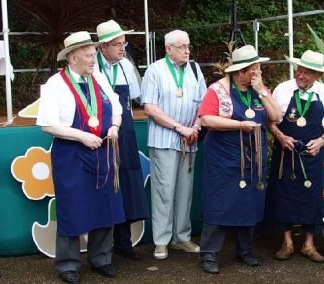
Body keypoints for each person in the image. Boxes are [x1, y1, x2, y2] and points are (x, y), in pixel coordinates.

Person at [37, 31, 125, 283]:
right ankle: (68, 265)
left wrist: (115, 127)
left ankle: (102, 259)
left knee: (104, 204)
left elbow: (117, 108)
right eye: (88, 55)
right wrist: (81, 136)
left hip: (103, 151)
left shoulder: (99, 77)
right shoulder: (55, 84)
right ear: (73, 57)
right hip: (72, 154)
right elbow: (47, 124)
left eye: (94, 54)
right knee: (72, 207)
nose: (93, 59)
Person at [197, 45, 282, 274]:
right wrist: (239, 125)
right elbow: (207, 120)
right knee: (219, 203)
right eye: (254, 67)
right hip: (224, 157)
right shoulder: (217, 90)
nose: (258, 71)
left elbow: (276, 117)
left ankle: (245, 250)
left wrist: (262, 92)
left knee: (249, 202)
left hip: (253, 157)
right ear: (240, 71)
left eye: (258, 67)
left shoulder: (259, 89)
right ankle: (209, 255)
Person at [266, 50, 324, 263]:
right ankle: (287, 242)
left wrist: (321, 141)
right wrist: (280, 136)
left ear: (318, 75)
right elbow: (270, 121)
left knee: (311, 197)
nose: (301, 75)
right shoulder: (283, 89)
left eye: (308, 73)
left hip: (312, 154)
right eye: (300, 70)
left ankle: (309, 244)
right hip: (286, 154)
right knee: (283, 195)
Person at [141, 29, 206, 260]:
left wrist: (196, 128)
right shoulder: (155, 70)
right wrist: (180, 127)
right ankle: (161, 241)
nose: (187, 50)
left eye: (188, 46)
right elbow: (149, 107)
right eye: (181, 47)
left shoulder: (195, 70)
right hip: (165, 139)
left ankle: (182, 238)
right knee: (164, 191)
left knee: (185, 191)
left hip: (190, 140)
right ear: (168, 49)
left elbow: (204, 106)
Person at [95, 20, 149, 260]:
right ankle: (102, 248)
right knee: (104, 185)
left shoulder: (126, 65)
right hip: (98, 133)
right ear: (102, 47)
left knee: (125, 183)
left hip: (124, 131)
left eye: (123, 43)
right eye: (117, 44)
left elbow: (135, 97)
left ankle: (124, 243)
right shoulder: (92, 68)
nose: (122, 48)